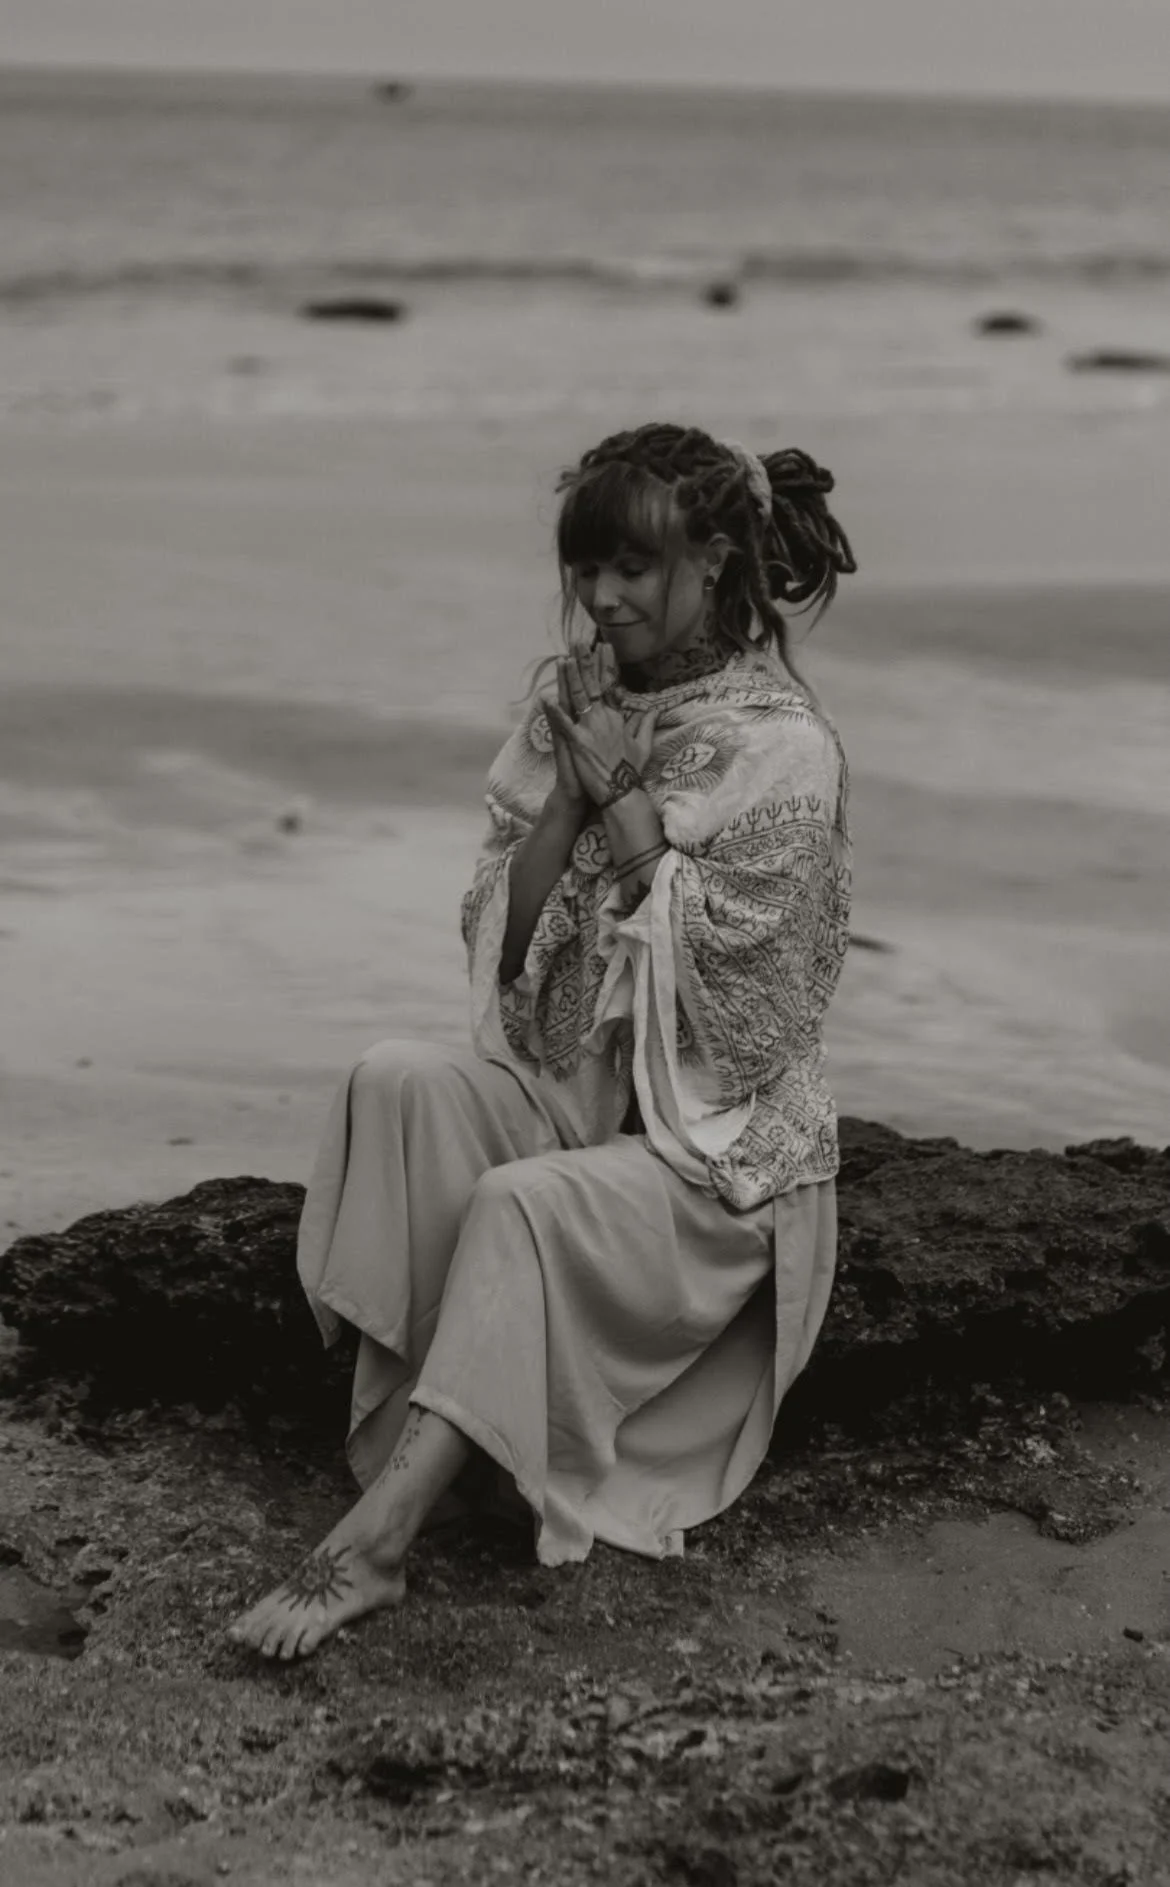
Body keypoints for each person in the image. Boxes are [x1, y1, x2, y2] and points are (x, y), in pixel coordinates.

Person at [228, 420, 857, 1661]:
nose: (603, 596)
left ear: (717, 558)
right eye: (586, 567)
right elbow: (504, 947)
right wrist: (571, 801)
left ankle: (376, 1545)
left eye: (634, 566)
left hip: (716, 1163)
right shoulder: (574, 707)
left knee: (521, 1203)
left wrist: (629, 807)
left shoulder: (783, 746)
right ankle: (457, 1426)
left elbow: (753, 1010)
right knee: (395, 1080)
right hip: (581, 1096)